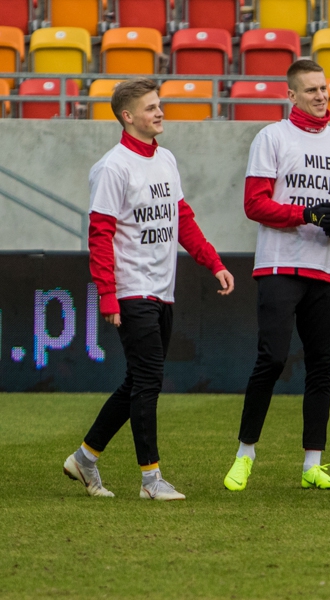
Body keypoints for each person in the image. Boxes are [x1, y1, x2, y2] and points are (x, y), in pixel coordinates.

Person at [63, 77, 235, 501]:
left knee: (139, 380)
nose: (160, 112)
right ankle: (150, 479)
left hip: (163, 289)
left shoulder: (166, 159)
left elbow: (182, 219)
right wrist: (108, 294)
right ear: (128, 116)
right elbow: (100, 236)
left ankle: (84, 458)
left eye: (159, 105)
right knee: (149, 380)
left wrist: (213, 262)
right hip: (131, 289)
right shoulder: (113, 167)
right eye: (151, 107)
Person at [223, 59, 330, 492]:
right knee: (271, 358)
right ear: (291, 96)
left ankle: (313, 465)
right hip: (279, 265)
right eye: (311, 90)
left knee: (321, 367)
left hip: (327, 269)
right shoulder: (271, 137)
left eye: (324, 88)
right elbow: (254, 204)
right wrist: (305, 214)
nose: (321, 96)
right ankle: (245, 454)